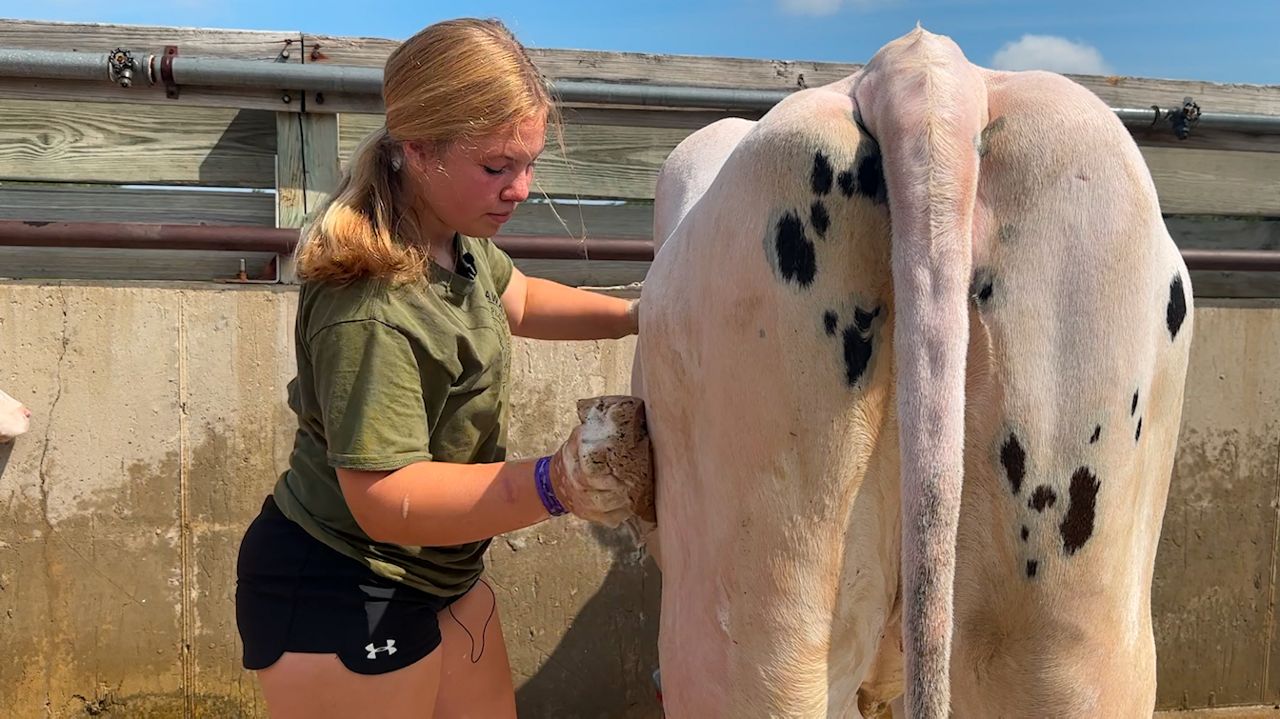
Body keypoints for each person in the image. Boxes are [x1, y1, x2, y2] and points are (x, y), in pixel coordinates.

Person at [234, 17, 651, 718]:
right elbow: (383, 497)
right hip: (345, 583)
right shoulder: (372, 305)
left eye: (530, 162)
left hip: (440, 571)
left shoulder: (452, 240)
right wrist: (556, 482)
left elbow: (518, 297)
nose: (521, 188)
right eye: (497, 166)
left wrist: (643, 313)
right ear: (419, 148)